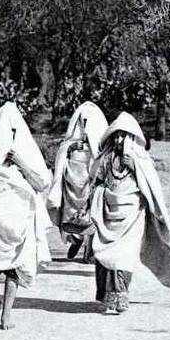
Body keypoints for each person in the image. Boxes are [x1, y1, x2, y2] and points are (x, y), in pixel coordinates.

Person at [0, 102, 51, 330]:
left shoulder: (27, 153)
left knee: (15, 265)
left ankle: (6, 313)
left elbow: (41, 183)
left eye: (14, 131)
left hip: (19, 219)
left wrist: (21, 163)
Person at [88, 112, 170, 314]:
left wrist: (135, 167)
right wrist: (99, 194)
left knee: (123, 255)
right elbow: (95, 181)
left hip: (132, 213)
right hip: (108, 213)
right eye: (117, 135)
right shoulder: (105, 159)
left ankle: (121, 294)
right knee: (106, 254)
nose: (119, 140)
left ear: (131, 137)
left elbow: (151, 187)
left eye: (124, 135)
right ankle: (108, 295)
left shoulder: (141, 159)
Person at [46, 101, 108, 261]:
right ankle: (76, 240)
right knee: (73, 214)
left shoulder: (101, 138)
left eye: (88, 121)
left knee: (92, 212)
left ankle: (91, 251)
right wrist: (71, 147)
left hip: (90, 179)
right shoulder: (71, 139)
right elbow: (63, 151)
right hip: (72, 178)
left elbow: (102, 156)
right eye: (83, 120)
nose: (85, 124)